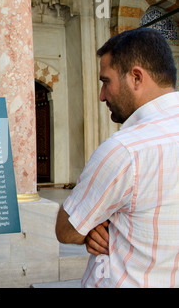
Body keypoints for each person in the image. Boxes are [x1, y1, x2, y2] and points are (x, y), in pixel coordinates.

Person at [55, 27, 179, 287]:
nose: (102, 96)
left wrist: (95, 226)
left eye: (106, 81)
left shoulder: (125, 150)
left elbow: (67, 229)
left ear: (136, 77)